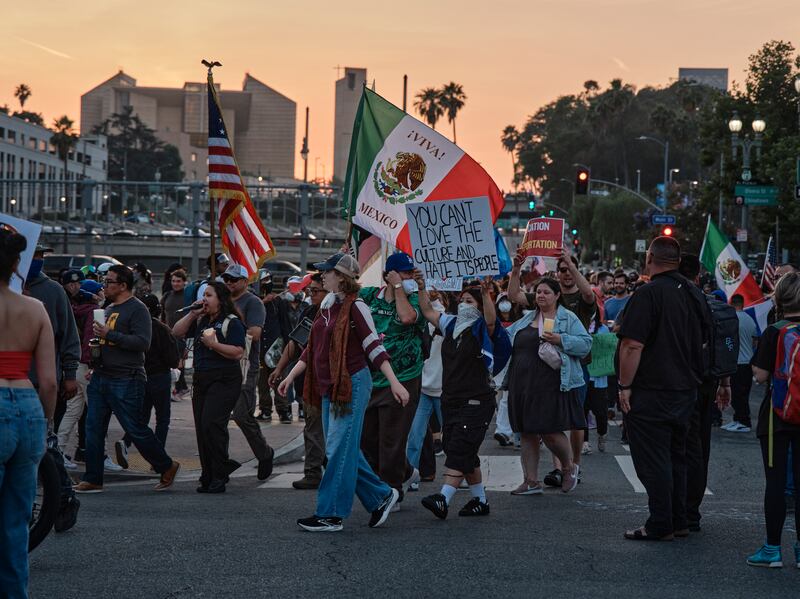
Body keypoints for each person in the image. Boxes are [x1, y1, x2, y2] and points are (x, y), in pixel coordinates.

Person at [278, 253, 408, 532]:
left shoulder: (356, 306)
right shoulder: (327, 306)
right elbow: (312, 349)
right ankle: (381, 496)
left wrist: (395, 382)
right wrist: (289, 376)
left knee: (337, 449)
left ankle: (331, 514)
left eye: (327, 272)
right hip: (330, 386)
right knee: (343, 449)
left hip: (352, 384)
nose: (321, 276)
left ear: (342, 277)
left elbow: (374, 345)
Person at [617, 237, 713, 541]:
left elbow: (632, 345)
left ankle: (660, 522)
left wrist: (624, 386)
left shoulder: (648, 294)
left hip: (653, 389)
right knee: (677, 457)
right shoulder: (695, 293)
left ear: (650, 258)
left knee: (653, 460)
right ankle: (679, 519)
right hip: (686, 389)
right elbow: (706, 341)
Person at [74, 265, 180, 493]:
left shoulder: (137, 309)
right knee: (93, 429)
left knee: (135, 428)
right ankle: (93, 478)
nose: (104, 285)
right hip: (102, 375)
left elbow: (142, 343)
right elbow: (103, 341)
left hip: (126, 378)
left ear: (122, 285)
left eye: (109, 281)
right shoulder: (109, 307)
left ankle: (166, 465)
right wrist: (95, 354)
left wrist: (109, 335)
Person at [416, 277, 511, 518]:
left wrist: (487, 292)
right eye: (462, 300)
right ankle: (480, 500)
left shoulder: (483, 329)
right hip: (451, 398)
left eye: (469, 301)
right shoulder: (451, 324)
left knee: (460, 447)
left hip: (476, 400)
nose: (463, 304)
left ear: (479, 306)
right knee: (460, 448)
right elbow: (427, 311)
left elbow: (491, 320)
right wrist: (420, 288)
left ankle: (444, 497)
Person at [0, 228, 57, 597]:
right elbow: (49, 381)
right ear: (17, 264)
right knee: (16, 521)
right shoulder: (35, 308)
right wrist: (46, 423)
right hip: (29, 409)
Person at [508, 246, 595, 486]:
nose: (541, 296)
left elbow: (586, 345)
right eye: (538, 292)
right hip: (524, 383)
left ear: (557, 296)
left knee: (549, 431)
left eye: (546, 292)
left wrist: (561, 340)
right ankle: (531, 480)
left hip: (554, 384)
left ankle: (568, 468)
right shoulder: (528, 316)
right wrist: (516, 269)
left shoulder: (567, 317)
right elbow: (513, 294)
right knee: (527, 431)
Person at [359, 252, 425, 505]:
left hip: (404, 377)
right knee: (368, 440)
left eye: (410, 273)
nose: (410, 277)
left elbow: (407, 318)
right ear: (389, 274)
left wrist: (401, 287)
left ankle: (392, 490)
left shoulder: (414, 298)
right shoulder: (369, 296)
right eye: (405, 272)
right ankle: (406, 472)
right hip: (373, 376)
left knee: (391, 439)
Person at [747, 271, 800, 567]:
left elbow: (761, 375)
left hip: (776, 418)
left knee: (776, 484)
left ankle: (772, 550)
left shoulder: (774, 331)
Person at [173, 282, 247, 493]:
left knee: (212, 424)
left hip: (224, 379)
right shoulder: (202, 319)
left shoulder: (232, 323)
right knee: (201, 428)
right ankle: (209, 473)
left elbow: (237, 352)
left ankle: (220, 474)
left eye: (209, 295)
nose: (204, 299)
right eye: (203, 295)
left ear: (221, 299)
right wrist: (192, 315)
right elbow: (177, 332)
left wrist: (213, 345)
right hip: (202, 378)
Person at [270, 273, 327, 489]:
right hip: (310, 381)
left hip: (337, 382)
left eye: (316, 291)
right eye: (309, 291)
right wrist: (279, 369)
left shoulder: (342, 312)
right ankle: (313, 473)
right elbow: (295, 343)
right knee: (312, 427)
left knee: (335, 431)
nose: (311, 295)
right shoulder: (311, 312)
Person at [223, 263, 274, 481]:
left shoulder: (253, 302)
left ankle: (264, 453)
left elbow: (255, 333)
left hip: (245, 365)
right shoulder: (223, 301)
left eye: (233, 279)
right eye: (227, 279)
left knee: (242, 414)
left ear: (245, 281)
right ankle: (220, 461)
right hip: (222, 364)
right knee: (216, 417)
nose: (229, 283)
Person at [117, 294, 179, 459]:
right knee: (162, 419)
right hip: (160, 376)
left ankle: (126, 441)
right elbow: (173, 359)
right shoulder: (162, 329)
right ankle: (158, 456)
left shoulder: (133, 328)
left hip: (139, 376)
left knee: (140, 417)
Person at [406, 289, 446, 472]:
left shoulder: (446, 323)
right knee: (414, 436)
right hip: (423, 389)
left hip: (444, 390)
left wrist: (433, 299)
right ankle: (409, 475)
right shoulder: (417, 323)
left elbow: (436, 312)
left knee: (454, 438)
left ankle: (460, 474)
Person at [257, 270, 292, 422]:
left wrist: (288, 347)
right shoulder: (254, 301)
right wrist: (263, 301)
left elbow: (285, 326)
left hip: (276, 348)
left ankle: (283, 410)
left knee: (279, 379)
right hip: (259, 347)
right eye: (262, 280)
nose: (266, 283)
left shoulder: (279, 302)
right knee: (262, 382)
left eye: (267, 280)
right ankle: (265, 410)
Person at [723, 294, 758, 433]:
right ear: (743, 304)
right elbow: (755, 341)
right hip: (748, 361)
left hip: (737, 361)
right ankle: (738, 419)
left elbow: (727, 341)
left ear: (731, 304)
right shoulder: (750, 320)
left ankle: (744, 421)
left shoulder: (732, 320)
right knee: (742, 393)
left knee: (738, 394)